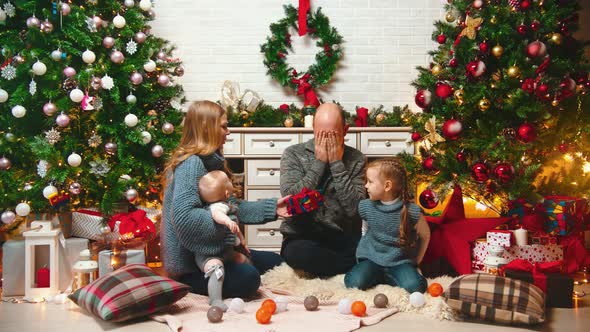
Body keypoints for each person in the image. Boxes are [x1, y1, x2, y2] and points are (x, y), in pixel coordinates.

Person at [161, 101, 290, 309]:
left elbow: (229, 206)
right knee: (249, 280)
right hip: (193, 265)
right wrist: (229, 225)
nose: (228, 132)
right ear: (207, 128)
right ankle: (194, 285)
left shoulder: (211, 161)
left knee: (277, 263)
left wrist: (272, 208)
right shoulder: (191, 164)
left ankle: (235, 262)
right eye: (223, 126)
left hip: (220, 251)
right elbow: (185, 218)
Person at [279, 103, 366, 277]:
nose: (326, 141)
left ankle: (347, 264)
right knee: (299, 254)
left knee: (367, 250)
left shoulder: (357, 159)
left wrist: (336, 164)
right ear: (313, 129)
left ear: (345, 130)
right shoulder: (293, 154)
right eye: (321, 135)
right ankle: (349, 266)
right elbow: (290, 201)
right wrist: (318, 164)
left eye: (333, 135)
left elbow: (354, 209)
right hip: (303, 236)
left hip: (343, 237)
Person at [344, 158, 430, 293]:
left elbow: (425, 235)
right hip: (372, 259)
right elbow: (364, 230)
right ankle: (378, 275)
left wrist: (417, 261)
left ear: (387, 186)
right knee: (353, 282)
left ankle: (391, 275)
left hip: (400, 262)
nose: (366, 186)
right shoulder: (366, 206)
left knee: (416, 287)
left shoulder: (411, 211)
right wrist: (364, 252)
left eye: (370, 182)